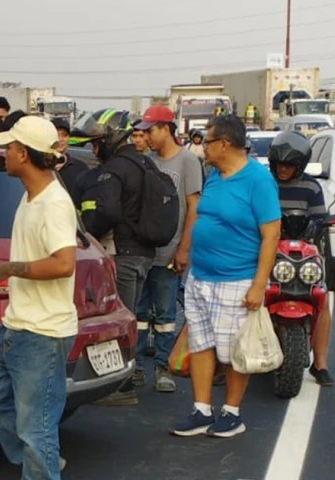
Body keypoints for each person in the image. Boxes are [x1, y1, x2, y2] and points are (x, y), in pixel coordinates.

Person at [0, 116, 77, 480]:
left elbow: (64, 263)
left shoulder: (53, 204)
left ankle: (41, 461)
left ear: (24, 154)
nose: (5, 153)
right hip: (17, 324)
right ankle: (41, 458)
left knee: (37, 429)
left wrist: (10, 269)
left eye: (10, 147)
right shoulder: (30, 197)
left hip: (43, 334)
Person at [171, 115, 280, 438]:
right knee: (202, 343)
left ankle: (231, 412)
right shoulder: (214, 175)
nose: (202, 146)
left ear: (224, 144)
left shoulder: (258, 180)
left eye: (207, 140)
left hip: (238, 278)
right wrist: (187, 252)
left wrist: (259, 284)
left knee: (235, 349)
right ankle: (201, 409)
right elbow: (203, 216)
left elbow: (271, 234)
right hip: (201, 275)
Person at [71, 111, 159, 406]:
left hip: (121, 253)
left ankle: (121, 387)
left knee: (118, 323)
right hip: (144, 254)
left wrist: (86, 236)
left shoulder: (115, 169)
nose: (95, 150)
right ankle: (131, 376)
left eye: (98, 143)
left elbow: (105, 211)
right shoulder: (145, 162)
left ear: (113, 137)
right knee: (130, 315)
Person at [132, 105, 203, 392]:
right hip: (142, 252)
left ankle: (163, 367)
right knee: (137, 314)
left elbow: (194, 208)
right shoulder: (145, 161)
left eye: (150, 130)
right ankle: (134, 367)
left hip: (170, 253)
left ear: (166, 129)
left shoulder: (187, 162)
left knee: (164, 315)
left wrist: (184, 249)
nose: (146, 136)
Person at [269, 132, 332, 386]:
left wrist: (316, 228)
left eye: (290, 165)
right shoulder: (264, 182)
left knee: (322, 299)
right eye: (280, 164)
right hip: (267, 252)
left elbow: (320, 219)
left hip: (302, 255)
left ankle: (321, 364)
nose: (284, 170)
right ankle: (227, 362)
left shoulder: (312, 187)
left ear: (301, 165)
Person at [52, 117, 89, 196]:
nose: (61, 139)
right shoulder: (39, 166)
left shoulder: (81, 168)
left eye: (64, 135)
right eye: (56, 135)